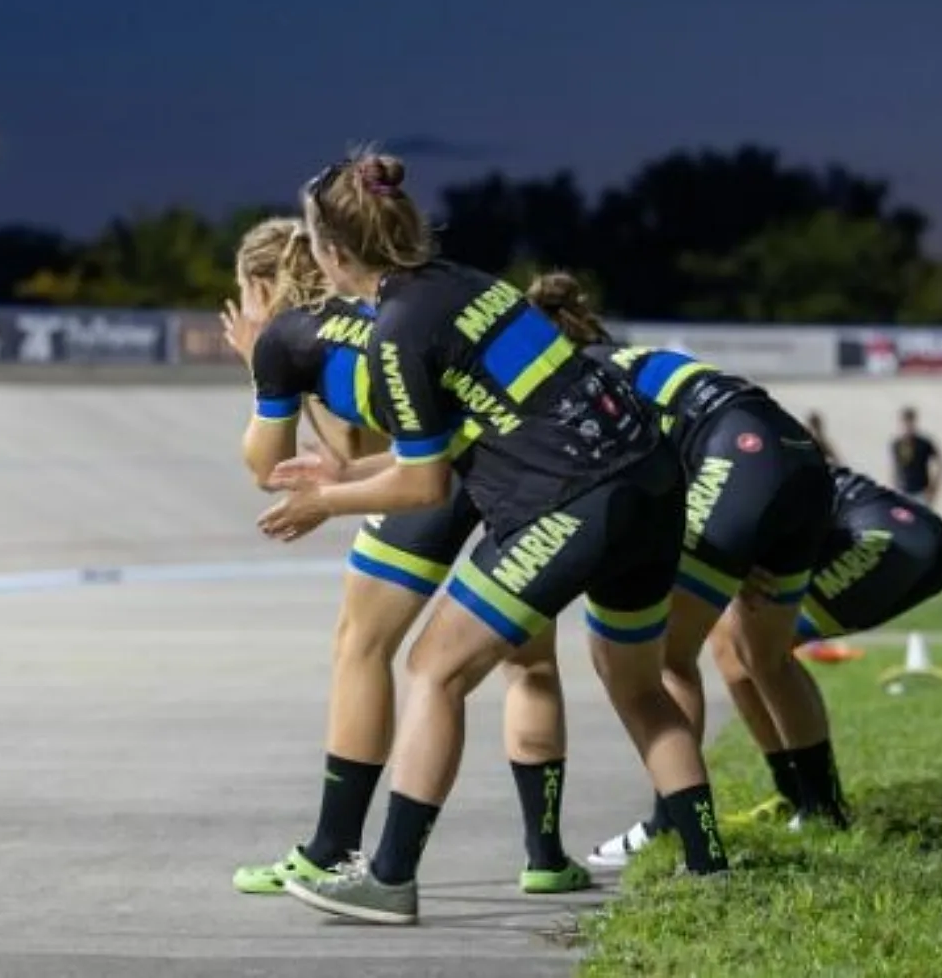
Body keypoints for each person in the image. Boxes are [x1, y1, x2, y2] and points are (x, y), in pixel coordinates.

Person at [260, 153, 729, 926]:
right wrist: (349, 469)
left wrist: (328, 500)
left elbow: (425, 487)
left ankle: (389, 876)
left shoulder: (397, 328)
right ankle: (712, 868)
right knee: (639, 686)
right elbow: (475, 430)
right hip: (650, 478)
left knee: (435, 668)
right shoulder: (468, 283)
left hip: (575, 500)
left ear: (331, 253)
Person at [221, 218, 588, 898]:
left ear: (260, 286)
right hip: (511, 468)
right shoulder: (373, 306)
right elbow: (355, 450)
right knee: (529, 660)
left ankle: (332, 849)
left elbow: (266, 467)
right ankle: (545, 856)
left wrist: (259, 368)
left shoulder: (291, 334)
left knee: (361, 646)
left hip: (432, 482)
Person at [513, 275, 847, 869]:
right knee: (767, 655)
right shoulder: (629, 356)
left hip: (739, 459)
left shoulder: (575, 381)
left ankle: (673, 823)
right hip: (796, 457)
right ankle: (823, 810)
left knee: (663, 654)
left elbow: (634, 485)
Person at [710, 463, 942, 827]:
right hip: (898, 531)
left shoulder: (700, 459)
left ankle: (821, 808)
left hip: (887, 533)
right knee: (730, 647)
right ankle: (796, 796)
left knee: (761, 646)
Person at [891, 407, 942, 505]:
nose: (908, 426)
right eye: (905, 422)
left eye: (910, 422)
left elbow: (940, 464)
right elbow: (896, 467)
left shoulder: (924, 443)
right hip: (903, 491)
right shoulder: (897, 444)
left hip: (921, 491)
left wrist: (934, 487)